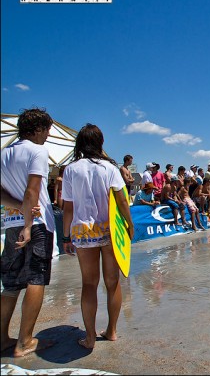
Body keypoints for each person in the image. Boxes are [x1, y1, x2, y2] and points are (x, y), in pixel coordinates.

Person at [61, 123, 134, 349]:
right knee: (113, 283)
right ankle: (111, 331)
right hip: (110, 231)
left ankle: (90, 338)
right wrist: (130, 225)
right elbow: (122, 200)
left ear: (80, 144)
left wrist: (65, 238)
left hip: (84, 233)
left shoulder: (71, 169)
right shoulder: (110, 168)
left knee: (89, 284)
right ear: (100, 143)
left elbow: (68, 208)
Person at [1, 108, 56, 357]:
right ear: (37, 130)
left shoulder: (4, 154)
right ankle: (25, 341)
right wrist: (28, 223)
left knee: (11, 283)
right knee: (36, 278)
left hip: (11, 222)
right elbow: (32, 190)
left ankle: (2, 337)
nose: (47, 136)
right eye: (46, 131)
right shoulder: (37, 151)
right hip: (35, 225)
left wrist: (18, 210)